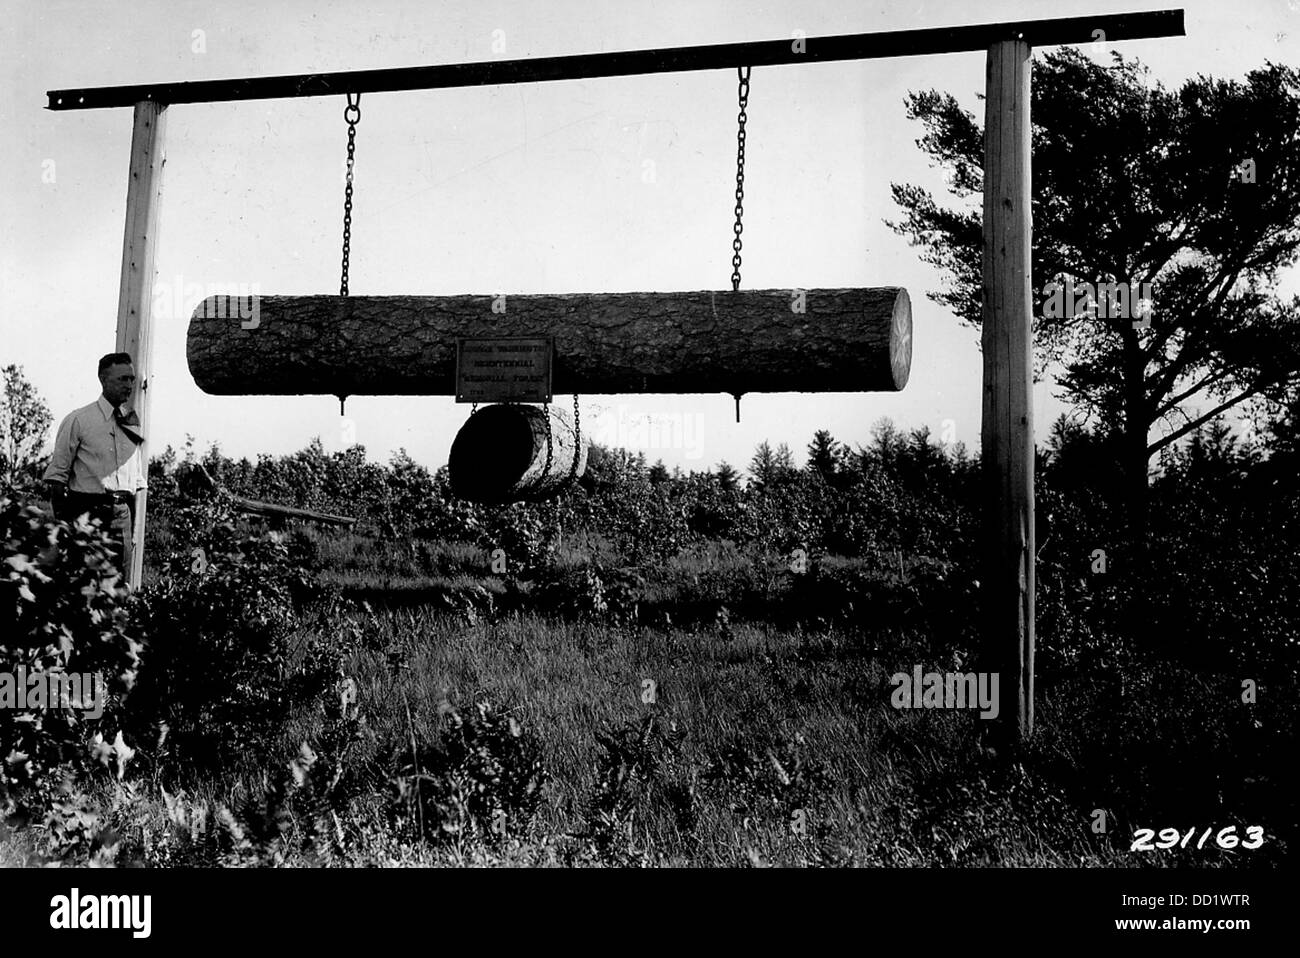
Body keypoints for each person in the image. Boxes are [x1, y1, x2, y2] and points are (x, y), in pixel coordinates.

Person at [42, 352, 146, 579]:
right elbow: (57, 479)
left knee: (119, 590)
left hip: (121, 517)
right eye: (122, 379)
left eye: (131, 379)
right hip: (87, 514)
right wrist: (66, 527)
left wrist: (134, 531)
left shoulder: (132, 423)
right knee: (85, 587)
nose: (129, 385)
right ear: (103, 379)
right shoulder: (79, 420)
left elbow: (136, 485)